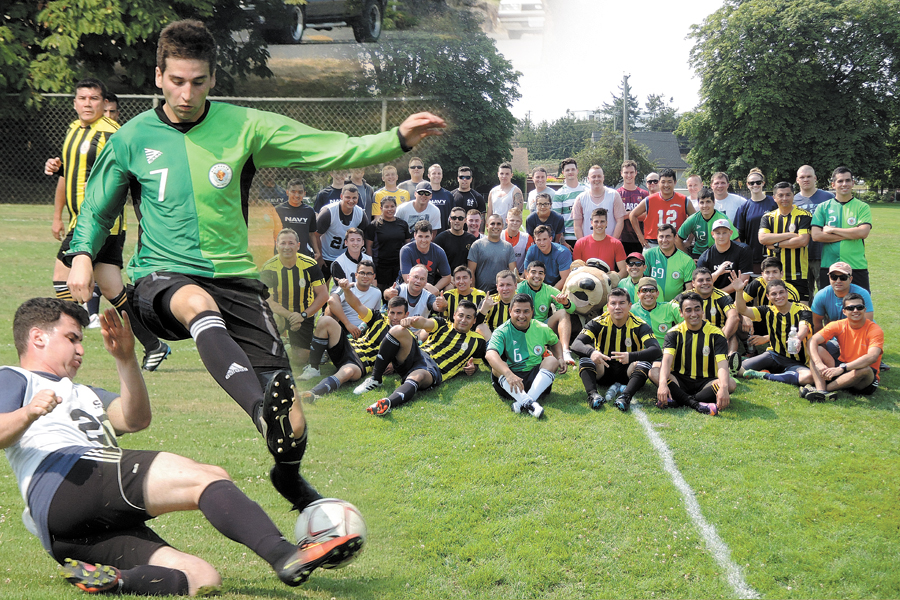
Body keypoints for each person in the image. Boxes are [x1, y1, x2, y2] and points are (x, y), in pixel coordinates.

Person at [65, 19, 445, 511]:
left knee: (295, 424)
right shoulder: (131, 138)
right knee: (197, 302)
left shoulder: (243, 126)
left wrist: (396, 139)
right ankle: (260, 409)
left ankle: (289, 478)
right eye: (177, 81)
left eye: (198, 82)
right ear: (158, 76)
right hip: (162, 278)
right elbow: (97, 208)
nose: (186, 93)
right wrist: (80, 256)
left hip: (236, 281)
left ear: (213, 80)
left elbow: (325, 147)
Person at [0, 299, 360, 595]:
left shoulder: (83, 392)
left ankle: (116, 580)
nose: (80, 349)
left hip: (66, 534)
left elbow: (135, 419)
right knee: (206, 477)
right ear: (38, 338)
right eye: (72, 338)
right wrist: (29, 412)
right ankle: (285, 555)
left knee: (201, 577)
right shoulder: (14, 377)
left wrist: (125, 360)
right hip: (70, 480)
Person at [44, 77, 170, 371]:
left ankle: (68, 339)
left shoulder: (112, 133)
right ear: (75, 102)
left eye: (93, 99)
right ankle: (154, 343)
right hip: (82, 221)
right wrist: (57, 167)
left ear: (104, 104)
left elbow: (132, 169)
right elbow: (70, 170)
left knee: (62, 278)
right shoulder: (74, 130)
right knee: (114, 291)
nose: (87, 104)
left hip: (98, 223)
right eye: (82, 98)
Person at [352, 301, 487, 415]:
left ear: (474, 321)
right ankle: (376, 379)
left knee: (420, 375)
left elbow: (475, 364)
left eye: (468, 317)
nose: (463, 320)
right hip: (418, 354)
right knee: (398, 330)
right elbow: (425, 323)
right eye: (461, 315)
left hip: (433, 369)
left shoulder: (478, 342)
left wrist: (472, 368)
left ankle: (388, 403)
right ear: (454, 315)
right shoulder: (443, 324)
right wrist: (413, 321)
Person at [299, 287, 410, 399]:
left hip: (361, 362)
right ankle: (313, 368)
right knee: (325, 320)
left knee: (347, 372)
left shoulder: (407, 336)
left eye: (399, 313)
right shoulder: (378, 317)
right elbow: (357, 305)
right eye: (392, 313)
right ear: (388, 312)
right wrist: (346, 289)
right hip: (350, 346)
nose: (395, 317)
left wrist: (394, 366)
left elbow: (408, 359)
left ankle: (312, 393)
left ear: (406, 314)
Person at [570, 288, 661, 411]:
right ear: (607, 306)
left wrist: (631, 356)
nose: (617, 307)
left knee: (644, 361)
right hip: (603, 369)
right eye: (613, 303)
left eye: (622, 303)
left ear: (629, 306)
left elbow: (656, 350)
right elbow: (576, 343)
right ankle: (593, 395)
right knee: (585, 356)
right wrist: (592, 353)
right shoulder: (597, 322)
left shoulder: (640, 324)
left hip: (628, 373)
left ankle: (626, 396)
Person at [652, 292, 737, 415]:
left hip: (706, 382)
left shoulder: (716, 334)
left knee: (730, 384)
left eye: (697, 309)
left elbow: (723, 365)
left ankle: (679, 400)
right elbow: (666, 361)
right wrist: (663, 384)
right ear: (681, 313)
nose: (693, 314)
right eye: (688, 310)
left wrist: (723, 388)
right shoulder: (673, 333)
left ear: (703, 311)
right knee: (654, 372)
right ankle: (696, 403)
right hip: (679, 380)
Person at [484, 293, 566, 419]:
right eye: (517, 311)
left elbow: (555, 342)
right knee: (497, 367)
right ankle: (530, 403)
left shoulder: (541, 328)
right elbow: (490, 354)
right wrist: (508, 374)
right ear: (510, 311)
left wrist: (560, 357)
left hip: (536, 379)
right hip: (510, 381)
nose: (521, 316)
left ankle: (523, 402)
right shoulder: (501, 331)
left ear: (532, 312)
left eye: (526, 311)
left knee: (552, 360)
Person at [731, 273, 812, 387]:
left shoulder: (802, 309)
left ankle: (764, 375)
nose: (778, 297)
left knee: (808, 377)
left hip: (797, 361)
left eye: (781, 292)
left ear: (787, 293)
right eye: (774, 294)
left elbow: (804, 326)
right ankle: (774, 372)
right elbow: (742, 310)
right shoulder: (767, 310)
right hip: (774, 355)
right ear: (768, 297)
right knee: (737, 370)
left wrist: (798, 338)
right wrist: (739, 291)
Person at [260, 229, 329, 366]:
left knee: (300, 360)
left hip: (304, 313)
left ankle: (289, 347)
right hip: (280, 313)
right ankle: (275, 344)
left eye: (291, 243)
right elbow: (269, 300)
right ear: (277, 245)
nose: (287, 247)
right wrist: (292, 316)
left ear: (298, 246)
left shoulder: (310, 265)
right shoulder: (269, 267)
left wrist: (302, 315)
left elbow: (323, 295)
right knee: (275, 320)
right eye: (283, 243)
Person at [802, 293, 883, 402]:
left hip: (863, 378)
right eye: (850, 308)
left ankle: (821, 390)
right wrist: (818, 363)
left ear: (864, 309)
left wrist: (842, 368)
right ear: (844, 311)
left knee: (865, 370)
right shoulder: (838, 325)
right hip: (843, 369)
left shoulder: (875, 330)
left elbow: (872, 357)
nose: (855, 310)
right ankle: (822, 391)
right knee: (818, 350)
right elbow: (813, 340)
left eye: (859, 307)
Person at [811, 166, 872, 292]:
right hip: (829, 266)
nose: (844, 184)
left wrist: (833, 230)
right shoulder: (823, 207)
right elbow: (816, 236)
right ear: (833, 184)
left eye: (847, 180)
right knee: (830, 308)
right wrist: (852, 233)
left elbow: (863, 232)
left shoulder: (862, 207)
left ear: (853, 183)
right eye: (840, 181)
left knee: (859, 307)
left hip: (856, 266)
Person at [758, 181, 812, 301]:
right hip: (773, 275)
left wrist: (776, 244)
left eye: (788, 195)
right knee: (775, 312)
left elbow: (802, 241)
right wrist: (790, 235)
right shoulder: (768, 217)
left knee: (802, 310)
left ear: (793, 195)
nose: (784, 198)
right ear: (774, 198)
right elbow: (763, 238)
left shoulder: (804, 215)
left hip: (797, 274)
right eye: (780, 195)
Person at [517, 260, 576, 364]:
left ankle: (565, 352)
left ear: (544, 276)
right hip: (523, 328)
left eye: (540, 273)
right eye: (533, 272)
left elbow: (572, 309)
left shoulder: (549, 290)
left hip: (543, 327)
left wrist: (565, 302)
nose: (537, 276)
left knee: (563, 312)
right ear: (526, 274)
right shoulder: (519, 288)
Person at [677, 267, 741, 360]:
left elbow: (733, 317)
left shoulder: (722, 296)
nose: (705, 283)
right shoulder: (684, 297)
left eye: (708, 280)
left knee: (732, 332)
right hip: (692, 334)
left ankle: (731, 360)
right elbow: (668, 312)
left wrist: (721, 339)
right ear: (693, 283)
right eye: (700, 280)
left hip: (717, 335)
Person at [742, 256, 802, 353]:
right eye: (767, 272)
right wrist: (745, 316)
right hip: (763, 320)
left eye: (775, 272)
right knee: (736, 318)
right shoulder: (757, 283)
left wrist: (766, 338)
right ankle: (748, 349)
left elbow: (793, 325)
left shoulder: (790, 292)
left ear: (781, 273)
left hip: (782, 325)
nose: (771, 276)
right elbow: (737, 304)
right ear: (762, 274)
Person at [628, 168, 696, 249]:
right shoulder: (649, 200)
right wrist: (640, 237)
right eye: (663, 182)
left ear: (675, 183)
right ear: (659, 183)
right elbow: (632, 215)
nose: (666, 185)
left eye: (669, 182)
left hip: (676, 243)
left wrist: (689, 240)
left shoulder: (684, 200)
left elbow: (696, 220)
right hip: (653, 243)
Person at [316, 183, 369, 281]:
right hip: (326, 255)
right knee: (321, 286)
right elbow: (315, 235)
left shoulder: (360, 213)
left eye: (354, 198)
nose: (351, 200)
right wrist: (319, 256)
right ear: (341, 196)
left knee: (348, 286)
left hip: (346, 257)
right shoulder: (329, 212)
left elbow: (365, 236)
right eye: (347, 197)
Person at [793, 165, 833, 296]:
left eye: (809, 176)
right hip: (800, 255)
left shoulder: (828, 197)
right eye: (802, 177)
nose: (805, 179)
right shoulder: (792, 200)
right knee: (804, 294)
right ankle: (808, 318)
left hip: (823, 253)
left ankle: (829, 318)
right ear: (797, 180)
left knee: (826, 293)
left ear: (815, 178)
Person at [732, 168, 776, 274]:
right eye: (752, 183)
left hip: (774, 254)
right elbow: (739, 237)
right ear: (747, 185)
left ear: (763, 183)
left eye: (758, 182)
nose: (755, 185)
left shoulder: (773, 203)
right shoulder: (744, 208)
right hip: (754, 257)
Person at [676, 187, 738, 260]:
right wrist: (688, 259)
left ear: (714, 202)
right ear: (698, 204)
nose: (705, 206)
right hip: (699, 255)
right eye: (702, 202)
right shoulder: (693, 219)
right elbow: (677, 240)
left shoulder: (723, 218)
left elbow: (736, 240)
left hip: (719, 254)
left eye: (708, 202)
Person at [324, 259, 381, 338]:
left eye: (369, 273)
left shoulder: (377, 292)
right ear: (356, 275)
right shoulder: (347, 287)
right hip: (344, 326)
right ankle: (326, 340)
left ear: (373, 276)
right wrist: (348, 324)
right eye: (362, 273)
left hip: (365, 329)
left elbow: (376, 315)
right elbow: (331, 301)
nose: (365, 276)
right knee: (329, 309)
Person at [810, 262, 873, 332]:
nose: (838, 281)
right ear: (829, 278)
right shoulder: (821, 295)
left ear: (850, 279)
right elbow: (816, 323)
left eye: (843, 277)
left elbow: (867, 322)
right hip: (836, 335)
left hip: (860, 333)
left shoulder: (862, 294)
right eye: (834, 277)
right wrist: (823, 341)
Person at [364, 196, 410, 292]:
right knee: (380, 294)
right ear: (381, 208)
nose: (390, 209)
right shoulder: (374, 226)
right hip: (380, 267)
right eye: (387, 207)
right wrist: (371, 267)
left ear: (396, 207)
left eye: (392, 206)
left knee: (397, 295)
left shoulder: (403, 224)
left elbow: (407, 245)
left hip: (399, 266)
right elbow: (369, 247)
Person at [698, 219, 752, 294]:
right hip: (713, 299)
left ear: (730, 233)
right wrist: (718, 273)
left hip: (738, 297)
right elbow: (701, 283)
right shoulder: (705, 257)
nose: (721, 236)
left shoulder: (743, 250)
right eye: (718, 233)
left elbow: (743, 280)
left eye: (724, 233)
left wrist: (719, 295)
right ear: (712, 234)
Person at [643, 224, 695, 302]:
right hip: (651, 305)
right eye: (661, 237)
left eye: (668, 236)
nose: (664, 240)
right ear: (657, 238)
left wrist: (675, 303)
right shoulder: (648, 255)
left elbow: (689, 288)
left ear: (675, 238)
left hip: (675, 306)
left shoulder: (687, 260)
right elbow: (641, 282)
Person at [572, 165, 626, 241]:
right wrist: (583, 245)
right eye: (593, 177)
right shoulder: (580, 198)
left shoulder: (614, 195)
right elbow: (577, 225)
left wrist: (613, 243)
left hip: (609, 244)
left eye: (599, 176)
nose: (596, 179)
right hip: (589, 246)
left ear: (603, 178)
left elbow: (620, 221)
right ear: (588, 179)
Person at [468, 214, 518, 294]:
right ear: (487, 226)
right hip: (482, 293)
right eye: (492, 223)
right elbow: (471, 272)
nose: (495, 226)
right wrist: (474, 293)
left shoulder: (508, 247)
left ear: (502, 226)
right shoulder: (477, 245)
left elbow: (513, 272)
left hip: (502, 294)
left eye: (498, 224)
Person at [399, 220, 452, 295]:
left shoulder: (439, 251)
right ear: (415, 235)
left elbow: (447, 277)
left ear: (431, 236)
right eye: (420, 236)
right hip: (411, 285)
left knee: (450, 286)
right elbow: (406, 278)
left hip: (431, 285)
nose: (423, 240)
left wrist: (434, 289)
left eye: (427, 236)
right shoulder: (406, 250)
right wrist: (426, 287)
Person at [572, 207, 627, 278]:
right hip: (586, 284)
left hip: (608, 283)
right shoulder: (580, 243)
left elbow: (624, 270)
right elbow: (575, 270)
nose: (599, 224)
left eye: (602, 221)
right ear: (591, 223)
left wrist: (612, 281)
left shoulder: (616, 243)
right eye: (596, 221)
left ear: (607, 223)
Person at [630, 276, 683, 347]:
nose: (648, 294)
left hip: (666, 354)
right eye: (644, 290)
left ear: (657, 293)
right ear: (638, 294)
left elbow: (688, 324)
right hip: (640, 355)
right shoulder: (631, 311)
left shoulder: (669, 308)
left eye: (652, 290)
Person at [276, 179, 320, 260]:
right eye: (293, 191)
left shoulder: (309, 211)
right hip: (283, 254)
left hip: (303, 255)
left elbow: (311, 234)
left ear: (304, 193)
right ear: (287, 192)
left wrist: (316, 251)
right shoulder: (278, 210)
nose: (297, 195)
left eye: (300, 192)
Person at [523, 225, 573, 290]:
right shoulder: (532, 250)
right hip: (537, 285)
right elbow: (527, 273)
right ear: (535, 240)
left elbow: (565, 278)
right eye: (539, 240)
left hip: (557, 288)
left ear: (550, 239)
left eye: (544, 239)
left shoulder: (562, 252)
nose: (542, 243)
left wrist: (549, 294)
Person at [551, 158, 585, 251]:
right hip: (568, 240)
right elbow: (557, 221)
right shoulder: (559, 194)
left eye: (573, 169)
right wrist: (563, 242)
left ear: (577, 171)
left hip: (586, 236)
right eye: (567, 170)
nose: (570, 172)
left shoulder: (586, 190)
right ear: (563, 172)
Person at [617, 161, 651, 255]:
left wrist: (628, 215)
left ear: (636, 173)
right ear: (621, 173)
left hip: (640, 239)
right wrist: (634, 215)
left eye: (631, 172)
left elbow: (648, 216)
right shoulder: (616, 194)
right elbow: (615, 217)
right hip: (622, 239)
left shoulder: (644, 194)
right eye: (626, 172)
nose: (629, 175)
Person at [475, 270, 518, 342]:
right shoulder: (488, 301)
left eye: (508, 285)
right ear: (497, 287)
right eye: (501, 285)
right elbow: (475, 326)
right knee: (481, 327)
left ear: (515, 285)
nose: (505, 288)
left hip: (515, 340)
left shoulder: (522, 302)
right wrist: (483, 311)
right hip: (493, 341)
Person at [434, 206, 477, 271]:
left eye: (460, 218)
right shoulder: (440, 239)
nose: (457, 221)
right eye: (454, 218)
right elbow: (435, 263)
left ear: (465, 220)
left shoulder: (472, 239)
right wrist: (448, 277)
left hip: (465, 278)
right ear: (450, 219)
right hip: (446, 278)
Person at [486, 162, 524, 226]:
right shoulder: (493, 191)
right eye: (502, 173)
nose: (504, 176)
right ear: (498, 174)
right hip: (494, 229)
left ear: (511, 175)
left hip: (509, 230)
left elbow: (517, 215)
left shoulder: (516, 191)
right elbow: (489, 214)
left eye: (507, 174)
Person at [502, 208, 533, 275]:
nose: (515, 223)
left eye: (517, 221)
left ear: (521, 222)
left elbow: (531, 260)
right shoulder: (499, 236)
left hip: (520, 273)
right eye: (512, 220)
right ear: (507, 221)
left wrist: (523, 276)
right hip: (501, 273)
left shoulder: (527, 238)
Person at [427, 163, 454, 230]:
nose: (437, 175)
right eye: (434, 173)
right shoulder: (424, 195)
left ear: (442, 175)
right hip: (427, 234)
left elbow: (453, 217)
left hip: (444, 234)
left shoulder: (448, 195)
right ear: (429, 175)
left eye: (439, 173)